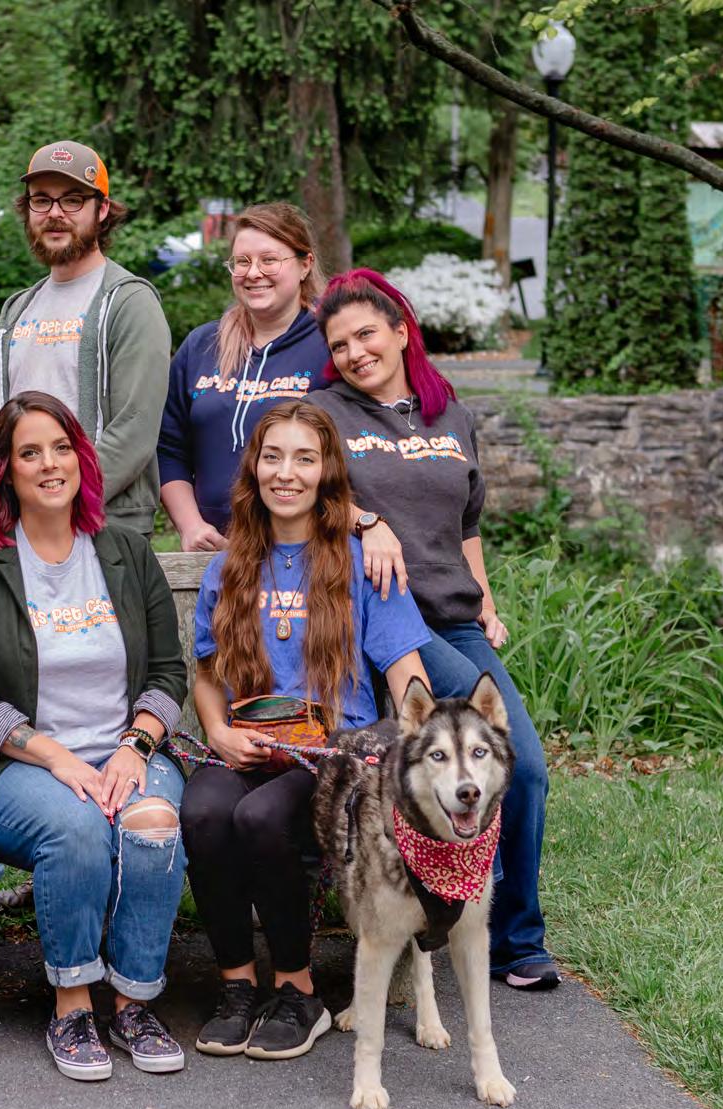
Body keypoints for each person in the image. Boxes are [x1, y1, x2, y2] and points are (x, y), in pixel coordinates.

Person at [309, 269, 559, 991]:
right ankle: (474, 927)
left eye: (366, 334)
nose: (355, 353)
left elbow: (466, 522)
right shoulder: (325, 411)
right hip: (383, 620)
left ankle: (511, 935)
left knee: (523, 767)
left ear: (400, 330)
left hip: (454, 619)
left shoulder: (449, 413)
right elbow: (298, 490)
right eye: (340, 345)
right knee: (449, 769)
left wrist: (485, 600)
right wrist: (367, 520)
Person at [0, 391, 189, 1081]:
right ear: (4, 471)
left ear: (81, 459)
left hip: (123, 750)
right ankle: (72, 1003)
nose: (50, 464)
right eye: (29, 452)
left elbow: (168, 673)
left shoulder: (126, 551)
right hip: (16, 765)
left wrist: (134, 747)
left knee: (153, 821)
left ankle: (133, 1002)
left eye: (61, 448)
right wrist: (58, 758)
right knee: (76, 826)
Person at [180, 400, 432, 1061]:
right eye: (272, 457)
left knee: (261, 817)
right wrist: (217, 731)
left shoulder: (361, 562)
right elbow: (206, 675)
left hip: (334, 758)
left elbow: (407, 676)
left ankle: (298, 991)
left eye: (304, 458)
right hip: (251, 742)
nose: (285, 473)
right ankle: (238, 985)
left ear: (326, 472)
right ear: (253, 469)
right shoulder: (230, 566)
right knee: (203, 809)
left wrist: (419, 759)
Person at [0, 141, 171, 537]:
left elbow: (134, 429)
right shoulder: (18, 309)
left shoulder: (129, 302)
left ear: (102, 209)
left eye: (72, 200)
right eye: (41, 200)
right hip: (21, 529)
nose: (55, 213)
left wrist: (58, 505)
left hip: (104, 529)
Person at [158, 202, 330, 549]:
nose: (253, 273)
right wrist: (191, 526)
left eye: (269, 260)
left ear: (304, 264)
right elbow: (168, 448)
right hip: (214, 550)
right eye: (242, 261)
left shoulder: (330, 344)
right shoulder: (202, 344)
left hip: (305, 548)